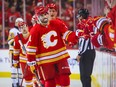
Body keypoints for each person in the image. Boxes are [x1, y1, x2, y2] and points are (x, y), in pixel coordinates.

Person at [26, 6, 77, 87]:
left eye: (45, 14)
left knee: (65, 77)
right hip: (46, 61)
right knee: (50, 81)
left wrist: (76, 36)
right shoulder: (35, 30)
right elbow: (31, 48)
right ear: (37, 17)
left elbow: (66, 34)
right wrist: (31, 63)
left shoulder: (56, 23)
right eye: (41, 15)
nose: (44, 16)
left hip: (60, 56)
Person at [76, 8, 96, 87]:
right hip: (90, 52)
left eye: (79, 16)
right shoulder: (89, 23)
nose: (78, 18)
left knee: (84, 77)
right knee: (86, 76)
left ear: (81, 16)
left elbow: (85, 40)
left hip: (86, 53)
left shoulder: (85, 24)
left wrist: (80, 54)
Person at [13, 22, 36, 87]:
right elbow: (16, 51)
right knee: (27, 79)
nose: (24, 29)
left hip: (34, 60)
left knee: (37, 77)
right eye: (21, 28)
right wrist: (15, 61)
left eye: (25, 27)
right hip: (23, 61)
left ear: (27, 27)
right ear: (19, 30)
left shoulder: (33, 35)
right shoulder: (17, 38)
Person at [7, 18, 23, 87]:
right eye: (19, 22)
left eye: (21, 22)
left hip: (20, 52)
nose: (20, 24)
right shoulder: (13, 31)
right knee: (14, 68)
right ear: (16, 23)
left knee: (19, 68)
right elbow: (10, 41)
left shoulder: (21, 31)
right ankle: (14, 83)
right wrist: (18, 43)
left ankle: (19, 84)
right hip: (13, 51)